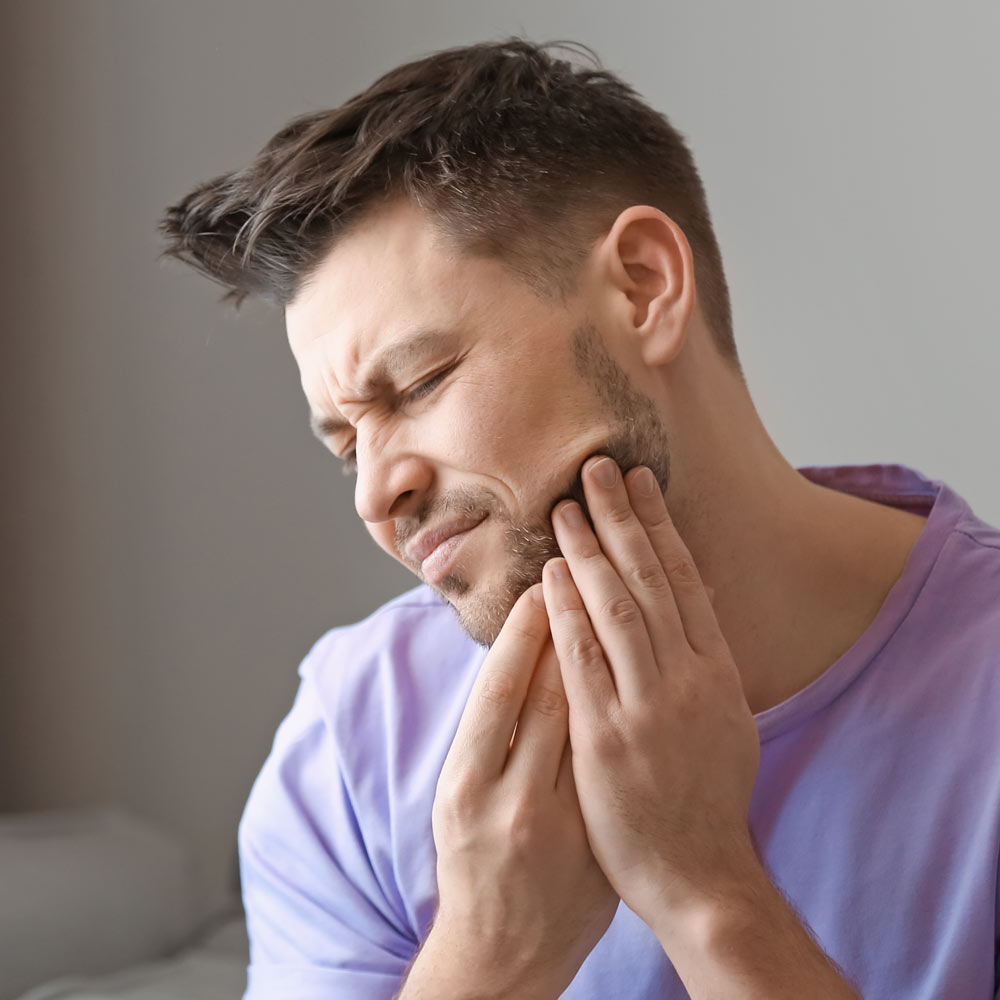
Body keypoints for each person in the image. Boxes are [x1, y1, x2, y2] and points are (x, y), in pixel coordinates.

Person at [159, 37, 1000, 1000]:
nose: (373, 493)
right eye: (347, 445)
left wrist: (705, 891)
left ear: (643, 287)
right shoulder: (354, 739)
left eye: (422, 383)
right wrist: (491, 952)